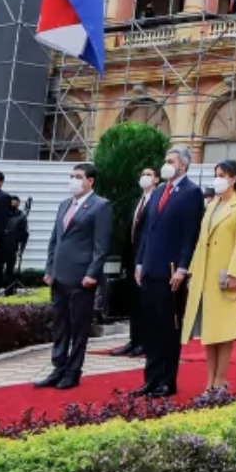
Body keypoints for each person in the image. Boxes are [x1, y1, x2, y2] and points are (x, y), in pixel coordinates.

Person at [134, 147, 204, 398]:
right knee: (150, 328)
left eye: (171, 161)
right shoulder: (159, 191)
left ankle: (166, 381)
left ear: (183, 166)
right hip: (150, 268)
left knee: (168, 328)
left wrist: (183, 268)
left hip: (171, 271)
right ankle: (150, 379)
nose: (166, 165)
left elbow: (190, 234)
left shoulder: (191, 193)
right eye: (165, 161)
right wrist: (140, 262)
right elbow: (147, 231)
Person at [182, 160, 236, 395]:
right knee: (210, 332)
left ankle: (219, 381)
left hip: (226, 279)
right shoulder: (213, 205)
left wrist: (234, 273)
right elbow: (201, 242)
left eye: (223, 175)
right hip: (206, 276)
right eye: (216, 174)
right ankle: (209, 382)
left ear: (234, 178)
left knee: (224, 333)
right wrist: (192, 271)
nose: (218, 179)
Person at [37, 163, 112, 390]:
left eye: (78, 176)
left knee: (78, 328)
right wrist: (49, 269)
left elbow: (101, 245)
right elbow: (54, 241)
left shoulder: (100, 206)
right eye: (71, 176)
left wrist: (92, 273)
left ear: (90, 181)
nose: (73, 180)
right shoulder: (64, 205)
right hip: (59, 276)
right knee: (60, 325)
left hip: (82, 278)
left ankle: (73, 371)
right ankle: (58, 367)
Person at [110, 166, 158, 358]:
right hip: (131, 257)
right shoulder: (138, 201)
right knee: (134, 302)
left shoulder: (156, 200)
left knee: (145, 302)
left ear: (156, 179)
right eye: (142, 175)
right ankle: (134, 339)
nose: (144, 178)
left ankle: (146, 342)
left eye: (149, 175)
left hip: (146, 258)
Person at [4, 197, 30, 291]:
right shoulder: (2, 213)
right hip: (0, 246)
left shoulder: (21, 216)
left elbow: (25, 234)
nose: (14, 205)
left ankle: (9, 292)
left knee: (10, 270)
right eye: (12, 203)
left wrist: (21, 249)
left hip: (13, 246)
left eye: (16, 203)